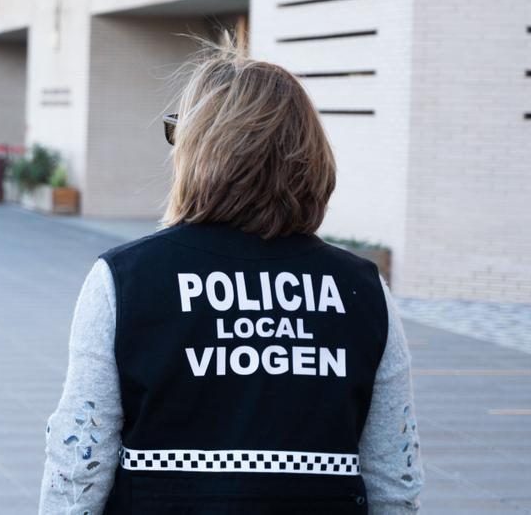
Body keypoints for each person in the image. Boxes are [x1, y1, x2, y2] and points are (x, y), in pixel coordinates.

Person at [39, 43, 422, 514]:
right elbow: (394, 481)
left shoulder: (125, 281)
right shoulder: (363, 291)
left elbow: (79, 466)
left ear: (199, 150)